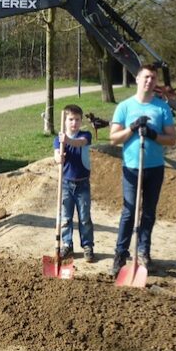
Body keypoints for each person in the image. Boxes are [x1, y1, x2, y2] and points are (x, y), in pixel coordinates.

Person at [109, 64, 176, 277]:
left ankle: (143, 252)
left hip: (155, 168)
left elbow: (172, 139)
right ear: (137, 79)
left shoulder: (162, 108)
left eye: (153, 78)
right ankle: (120, 255)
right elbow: (113, 139)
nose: (149, 81)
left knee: (148, 212)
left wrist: (153, 135)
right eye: (146, 77)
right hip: (131, 168)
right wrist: (131, 128)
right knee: (129, 212)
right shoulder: (125, 107)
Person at [54, 104, 95, 263]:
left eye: (77, 119)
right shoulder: (58, 139)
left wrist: (68, 140)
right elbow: (56, 155)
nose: (74, 123)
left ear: (81, 120)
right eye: (70, 119)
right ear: (65, 121)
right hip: (65, 184)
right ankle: (66, 244)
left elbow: (80, 143)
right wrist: (59, 158)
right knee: (65, 218)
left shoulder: (85, 135)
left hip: (82, 184)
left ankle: (87, 246)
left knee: (84, 218)